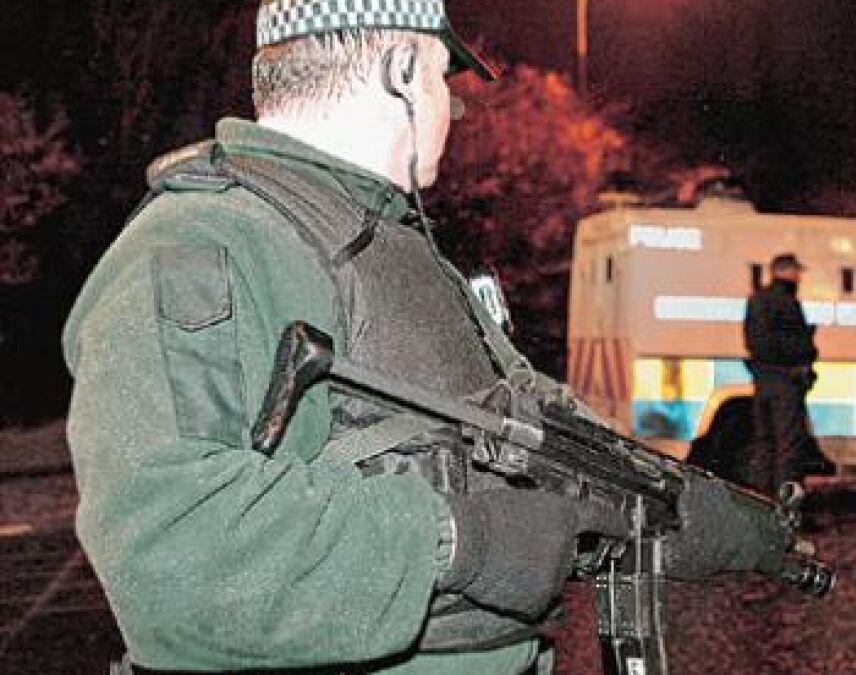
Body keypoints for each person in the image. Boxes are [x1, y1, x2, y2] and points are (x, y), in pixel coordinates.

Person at [63, 2, 786, 673]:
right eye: (444, 78)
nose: (454, 107)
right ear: (402, 70)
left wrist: (686, 508)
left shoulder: (399, 247)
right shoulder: (201, 244)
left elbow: (523, 418)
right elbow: (177, 553)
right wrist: (461, 537)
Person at [743, 253, 836, 497]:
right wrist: (806, 349)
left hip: (762, 380)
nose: (799, 277)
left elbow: (755, 341)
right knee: (789, 447)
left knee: (765, 443)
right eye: (796, 272)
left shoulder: (757, 300)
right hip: (785, 382)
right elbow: (792, 344)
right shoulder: (786, 301)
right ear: (786, 272)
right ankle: (785, 504)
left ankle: (761, 499)